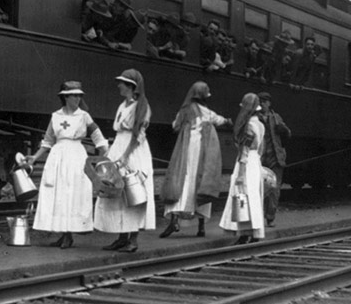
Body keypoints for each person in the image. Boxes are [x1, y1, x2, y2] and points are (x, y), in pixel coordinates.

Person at [25, 81, 109, 249]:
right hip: (58, 157)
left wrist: (102, 157)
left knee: (73, 193)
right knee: (59, 193)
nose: (77, 98)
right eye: (74, 95)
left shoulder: (84, 116)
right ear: (65, 97)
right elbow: (48, 141)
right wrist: (34, 157)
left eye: (79, 95)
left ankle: (69, 234)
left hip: (76, 157)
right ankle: (63, 233)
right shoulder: (55, 116)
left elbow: (99, 139)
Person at [94, 69, 155, 253]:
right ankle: (121, 237)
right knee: (117, 191)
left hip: (133, 150)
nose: (119, 85)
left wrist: (125, 156)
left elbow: (138, 136)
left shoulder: (141, 106)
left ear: (131, 86)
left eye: (122, 83)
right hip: (119, 146)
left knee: (133, 190)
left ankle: (133, 239)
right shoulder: (123, 105)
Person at [160, 81, 231, 238]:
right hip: (203, 152)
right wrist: (227, 120)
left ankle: (174, 220)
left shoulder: (186, 110)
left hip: (186, 150)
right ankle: (201, 227)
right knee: (201, 183)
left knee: (181, 180)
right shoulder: (208, 112)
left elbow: (175, 125)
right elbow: (220, 120)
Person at [218, 93, 266, 244]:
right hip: (255, 162)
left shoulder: (248, 126)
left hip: (245, 163)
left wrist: (240, 173)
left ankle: (245, 232)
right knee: (253, 198)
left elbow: (244, 151)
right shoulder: (260, 124)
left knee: (242, 196)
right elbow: (261, 149)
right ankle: (254, 232)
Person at [258, 92, 292, 227]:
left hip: (275, 158)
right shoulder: (255, 118)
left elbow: (288, 134)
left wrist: (283, 130)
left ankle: (270, 217)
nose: (262, 104)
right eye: (260, 101)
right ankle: (259, 216)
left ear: (269, 103)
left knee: (274, 189)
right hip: (260, 158)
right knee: (260, 188)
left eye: (264, 101)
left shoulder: (276, 117)